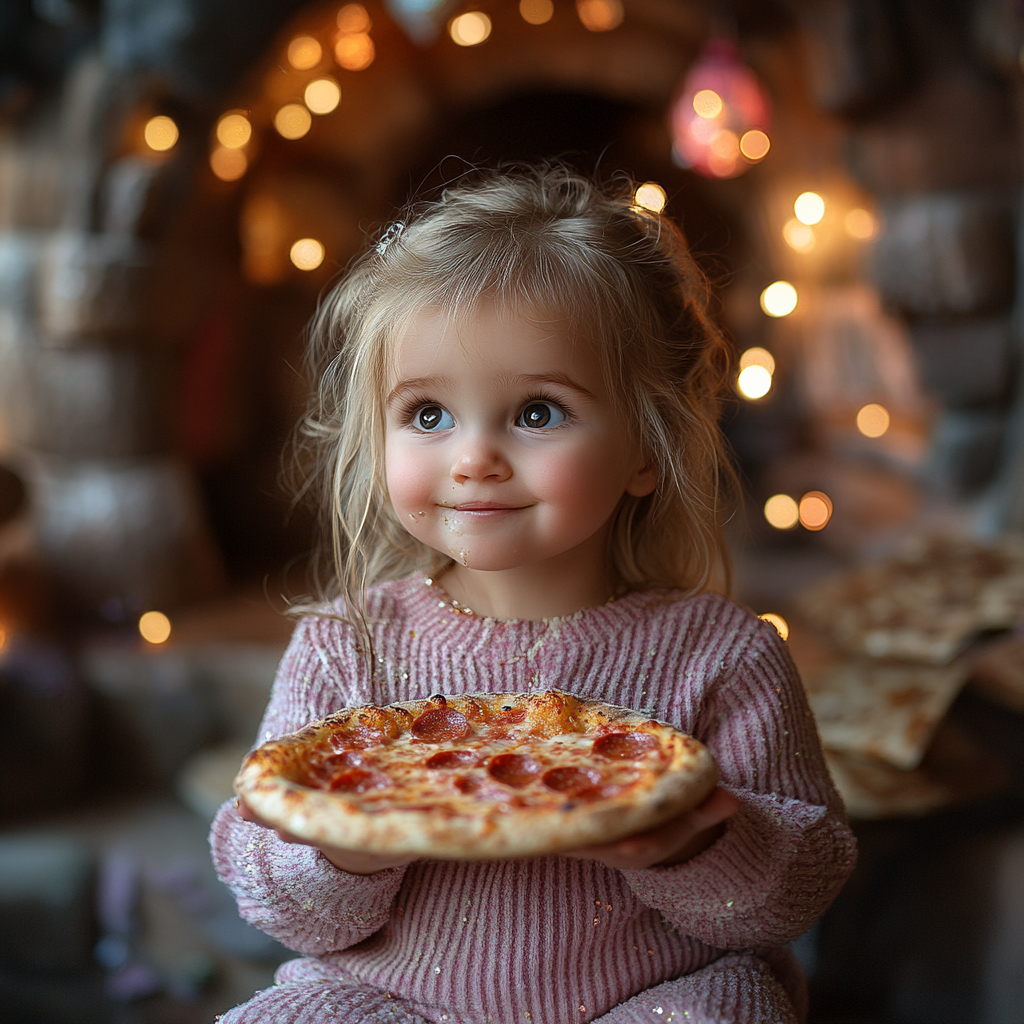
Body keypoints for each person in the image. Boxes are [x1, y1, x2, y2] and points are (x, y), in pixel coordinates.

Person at [210, 165, 856, 1024]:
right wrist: (335, 850)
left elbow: (795, 896)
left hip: (648, 1000)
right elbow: (277, 908)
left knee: (732, 1012)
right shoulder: (347, 645)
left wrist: (700, 843)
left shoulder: (722, 653)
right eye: (429, 414)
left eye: (538, 412)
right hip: (399, 1002)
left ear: (646, 449)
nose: (473, 458)